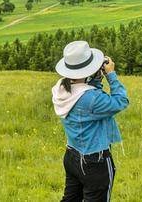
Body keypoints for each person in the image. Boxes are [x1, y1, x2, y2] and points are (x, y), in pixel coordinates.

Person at [51, 40, 129, 202]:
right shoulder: (91, 99)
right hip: (95, 162)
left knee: (70, 199)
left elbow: (87, 93)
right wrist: (111, 75)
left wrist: (95, 78)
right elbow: (121, 101)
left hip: (72, 156)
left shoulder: (61, 88)